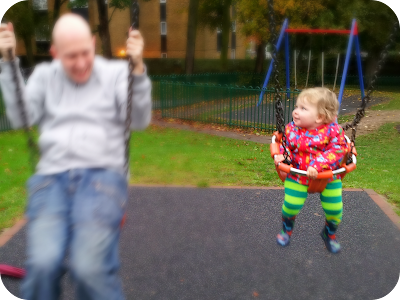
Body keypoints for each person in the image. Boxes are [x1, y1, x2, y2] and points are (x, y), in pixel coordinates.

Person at [0, 13, 151, 300]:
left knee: (89, 268)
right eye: (71, 57)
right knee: (43, 265)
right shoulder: (44, 77)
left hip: (102, 177)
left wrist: (138, 68)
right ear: (55, 53)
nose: (81, 63)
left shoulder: (116, 74)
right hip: (51, 181)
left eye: (86, 53)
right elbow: (21, 117)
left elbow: (140, 120)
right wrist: (8, 63)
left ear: (93, 43)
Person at [274, 87, 348, 254]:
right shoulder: (291, 129)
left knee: (335, 210)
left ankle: (329, 234)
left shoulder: (334, 131)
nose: (295, 112)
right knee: (290, 206)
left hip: (327, 177)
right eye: (296, 107)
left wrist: (316, 164)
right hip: (298, 175)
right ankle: (287, 229)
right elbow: (286, 147)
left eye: (303, 108)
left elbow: (337, 150)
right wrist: (282, 156)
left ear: (320, 117)